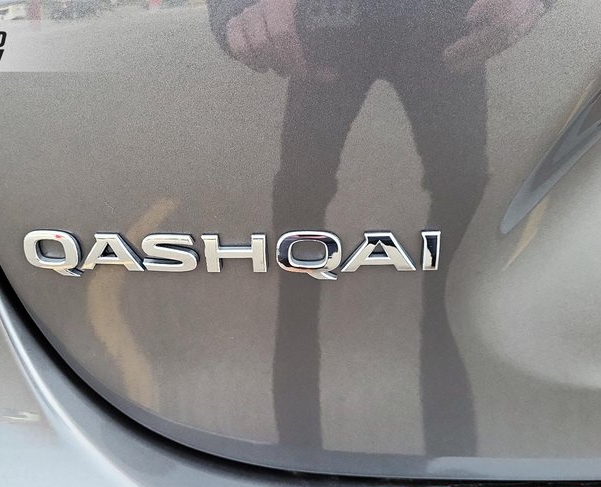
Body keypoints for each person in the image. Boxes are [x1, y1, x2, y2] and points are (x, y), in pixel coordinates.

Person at [208, 0, 554, 456]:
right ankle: (311, 463)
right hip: (334, 23)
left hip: (438, 23)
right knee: (306, 248)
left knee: (450, 264)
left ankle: (444, 467)